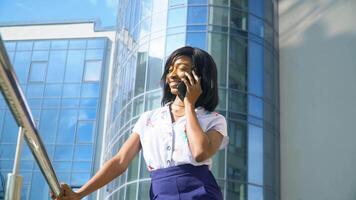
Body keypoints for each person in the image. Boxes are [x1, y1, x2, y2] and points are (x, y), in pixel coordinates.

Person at [51, 46, 229, 200]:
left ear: (199, 76)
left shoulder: (214, 119)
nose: (172, 75)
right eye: (169, 70)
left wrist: (189, 104)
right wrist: (79, 193)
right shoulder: (149, 118)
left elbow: (200, 153)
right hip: (160, 193)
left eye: (180, 69)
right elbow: (120, 162)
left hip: (201, 193)